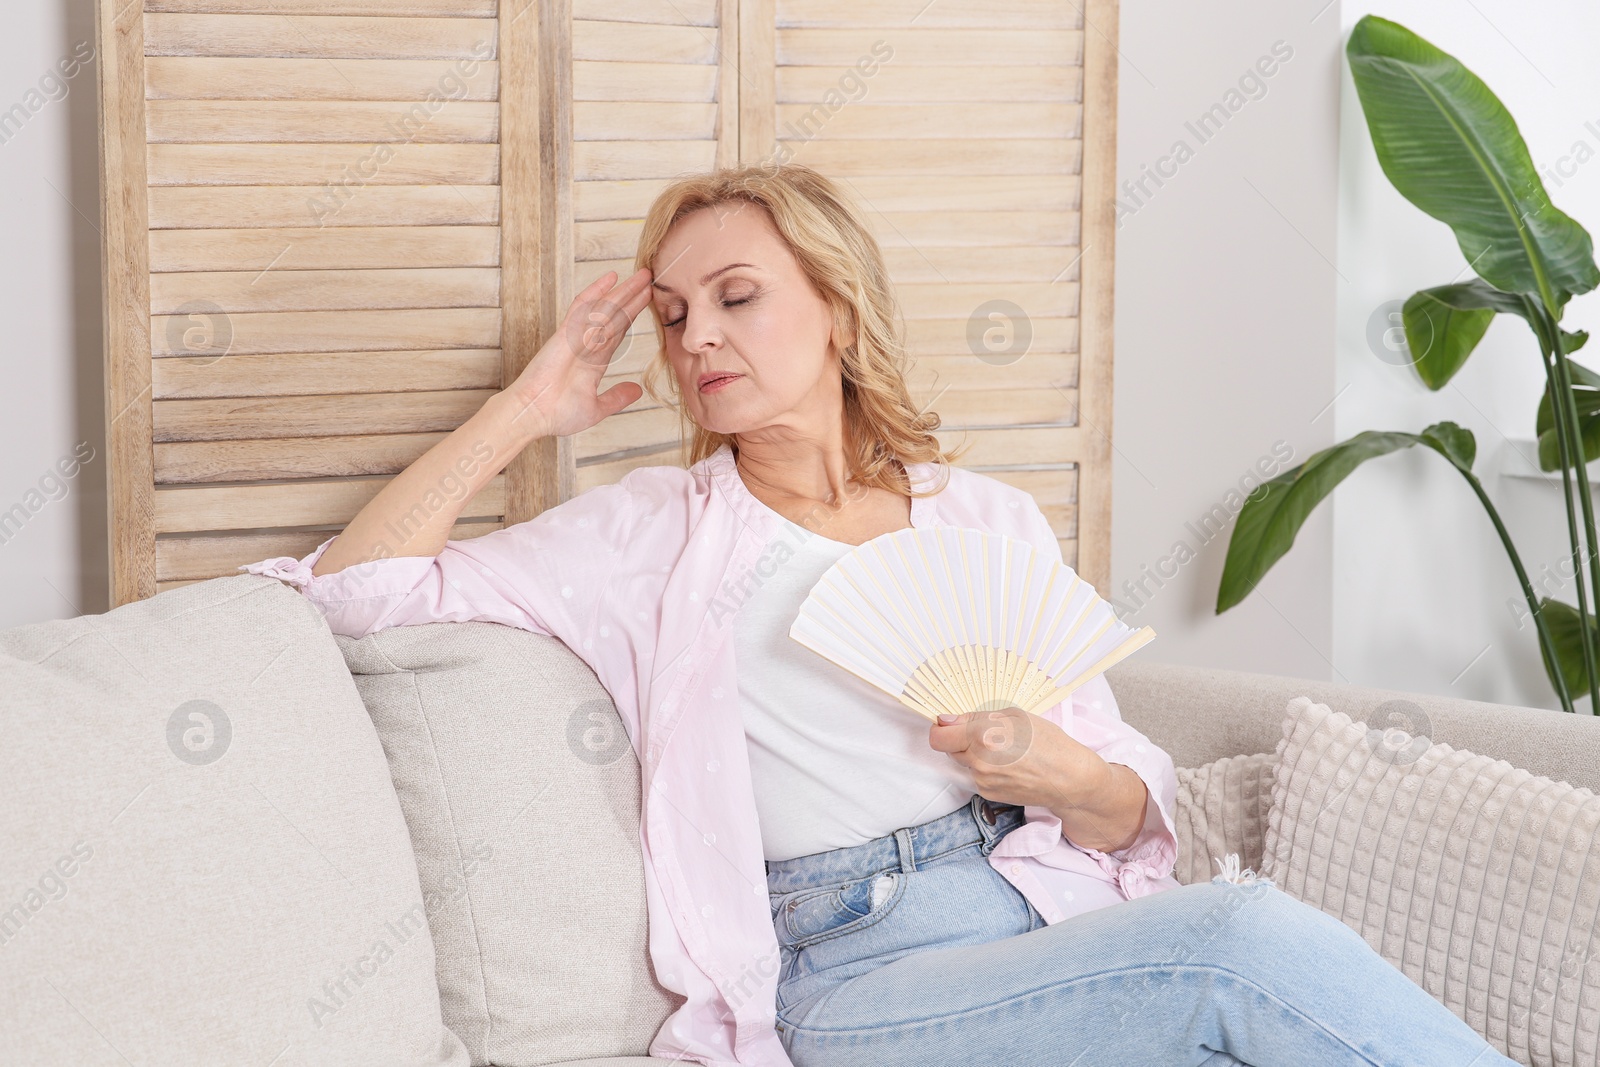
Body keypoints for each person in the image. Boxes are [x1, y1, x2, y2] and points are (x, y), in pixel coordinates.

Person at [243, 164, 1518, 1067]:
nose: (696, 340)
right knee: (1240, 942)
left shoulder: (983, 520)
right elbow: (360, 593)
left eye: (738, 296)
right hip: (849, 968)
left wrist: (1047, 761)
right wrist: (528, 408)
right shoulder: (649, 534)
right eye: (677, 316)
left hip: (1035, 902)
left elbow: (1126, 813)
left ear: (838, 308)